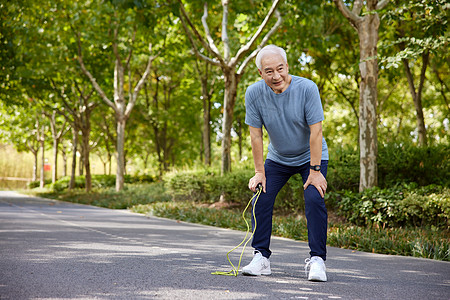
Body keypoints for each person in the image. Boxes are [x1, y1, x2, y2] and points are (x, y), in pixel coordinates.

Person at [242, 44, 329, 282]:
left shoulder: (307, 88)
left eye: (280, 68)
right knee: (261, 196)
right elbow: (256, 134)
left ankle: (317, 260)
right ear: (260, 73)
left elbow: (316, 131)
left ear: (287, 66)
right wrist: (259, 171)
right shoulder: (254, 93)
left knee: (314, 197)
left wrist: (315, 170)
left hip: (310, 157)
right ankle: (261, 257)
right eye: (269, 71)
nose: (276, 75)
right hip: (278, 158)